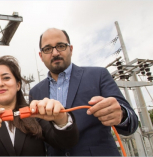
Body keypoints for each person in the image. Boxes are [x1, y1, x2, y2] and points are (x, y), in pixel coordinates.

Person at [29, 28, 139, 156]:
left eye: (60, 46)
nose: (54, 53)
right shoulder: (35, 92)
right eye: (47, 49)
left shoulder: (98, 75)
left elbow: (132, 122)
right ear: (41, 56)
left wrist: (122, 114)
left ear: (71, 49)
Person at [0, 55, 79, 156]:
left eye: (6, 78)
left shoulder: (36, 115)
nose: (0, 84)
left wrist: (61, 119)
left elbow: (65, 143)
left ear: (18, 85)